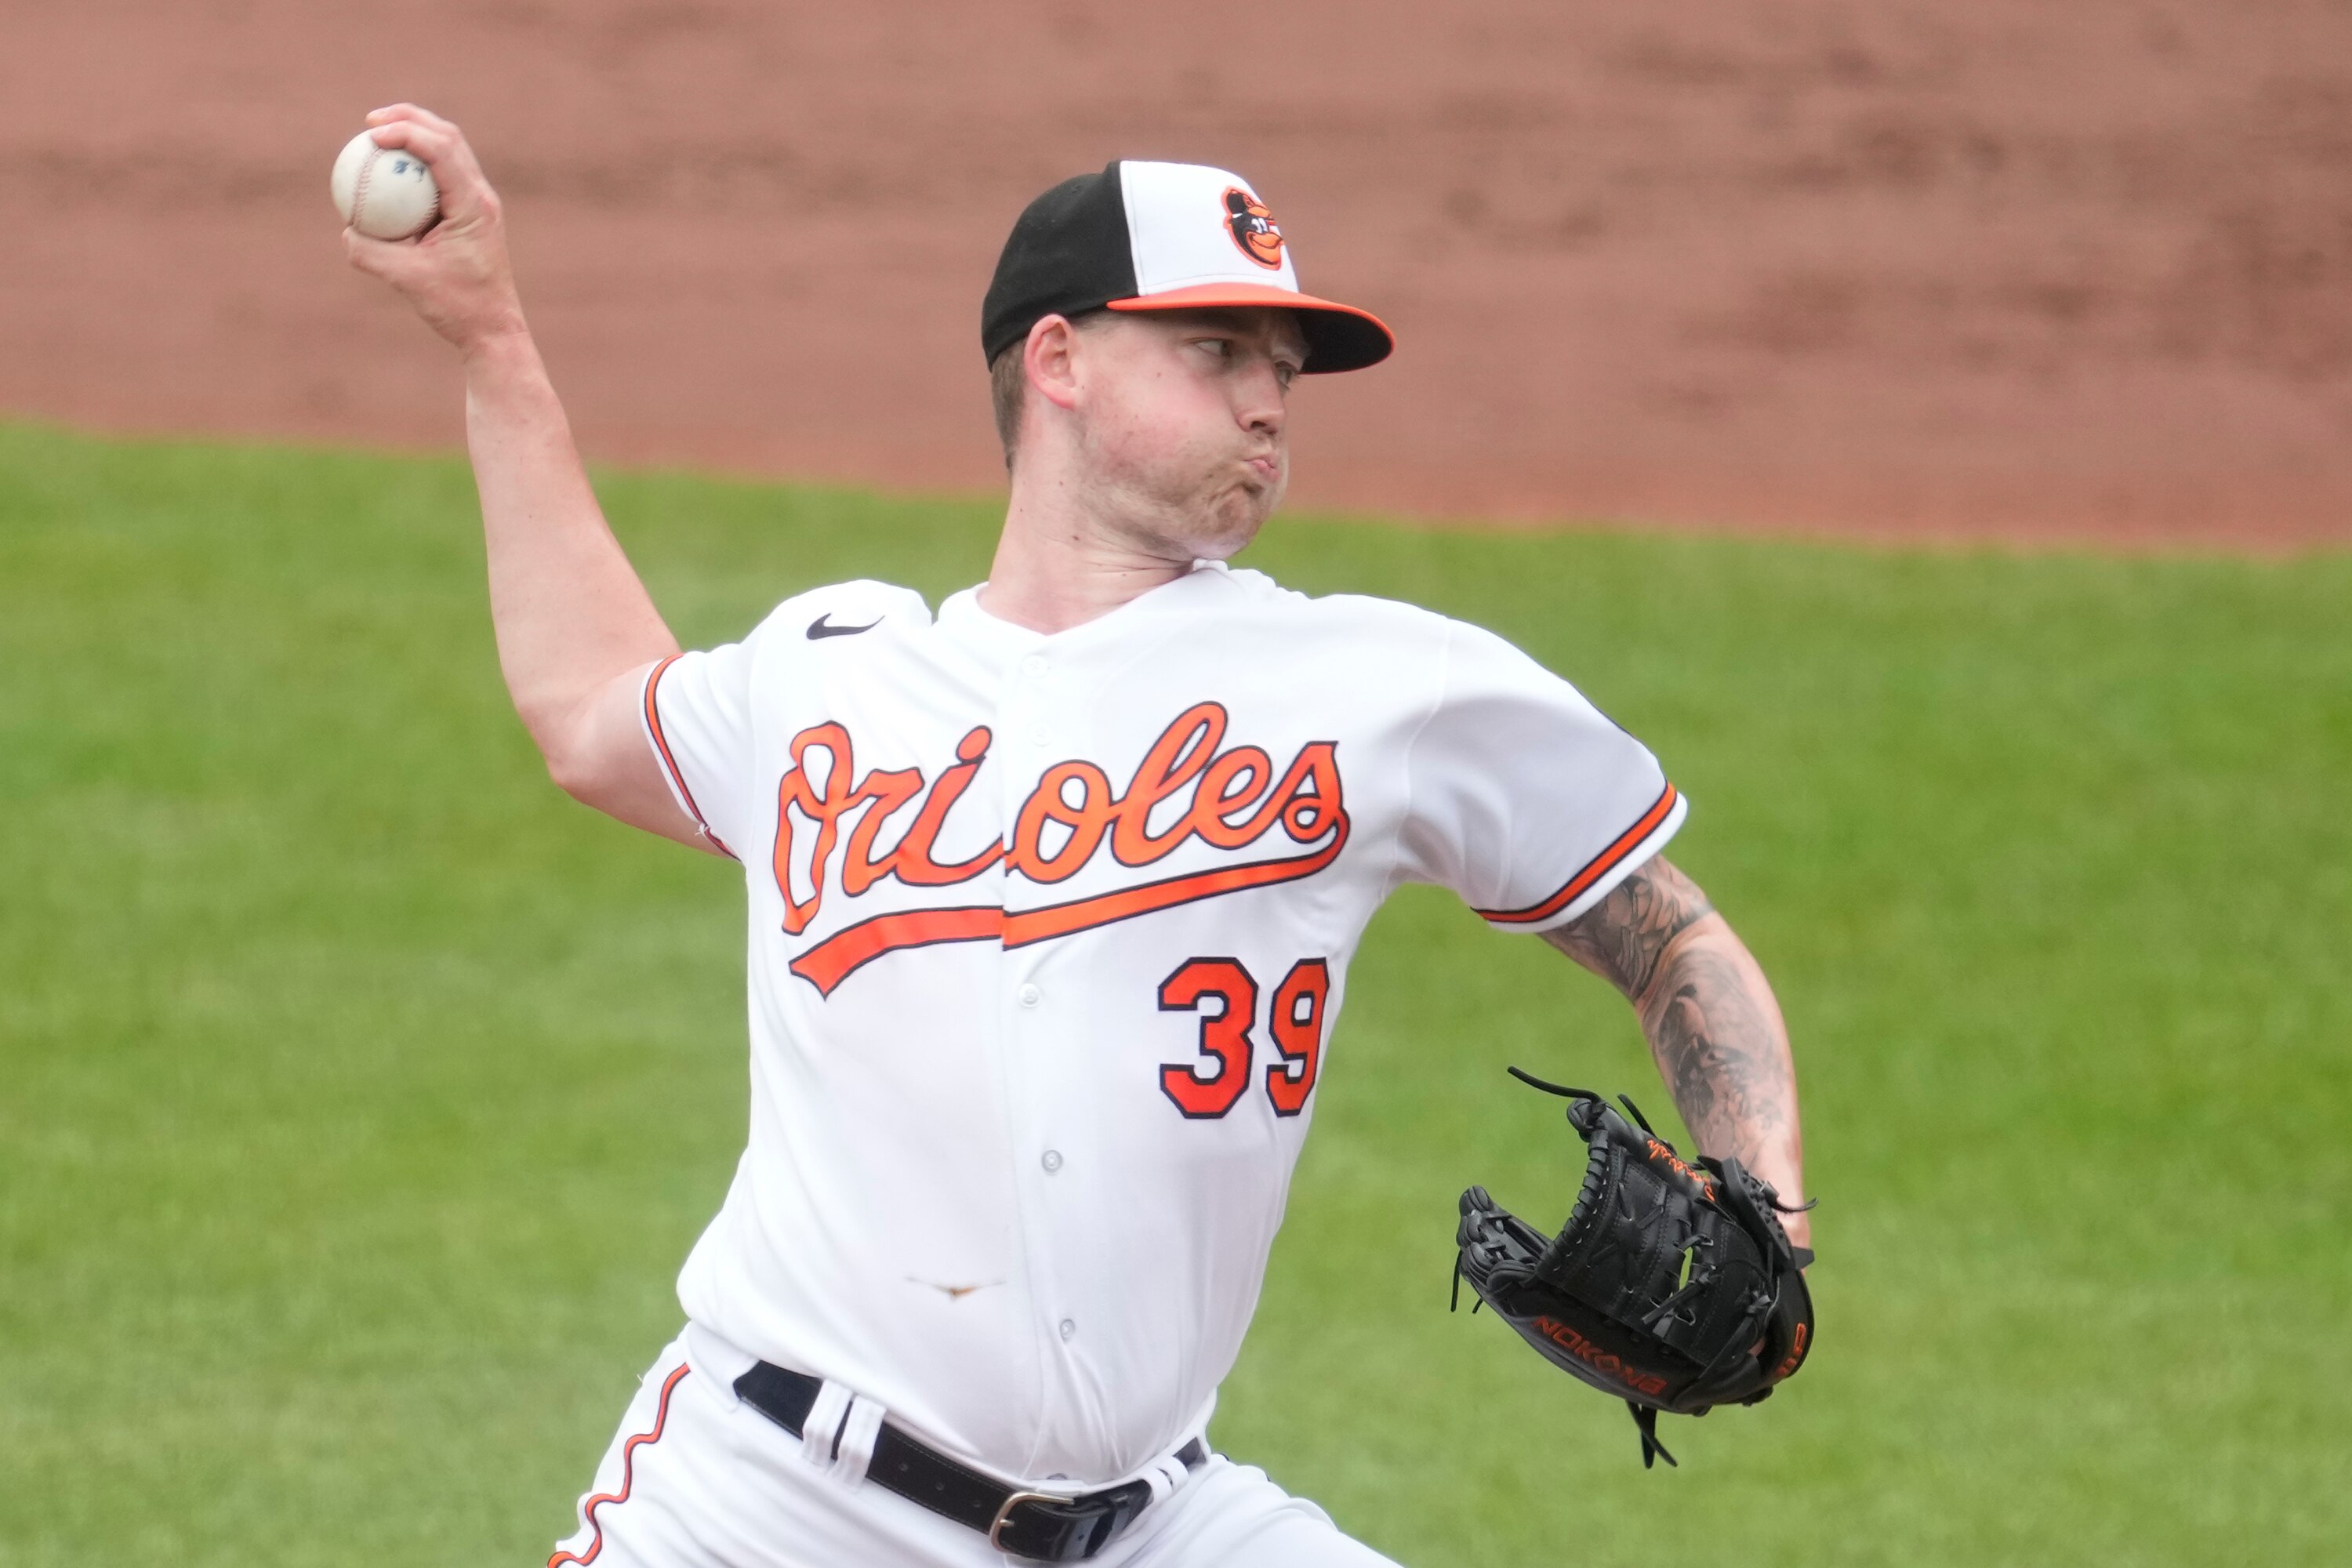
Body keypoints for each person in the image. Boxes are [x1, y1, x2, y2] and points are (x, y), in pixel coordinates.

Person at [346, 103, 1809, 1568]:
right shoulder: (835, 675)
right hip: (761, 1503)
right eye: (1215, 352)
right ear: (1056, 362)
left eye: (1282, 371)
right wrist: (491, 341)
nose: (1268, 403)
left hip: (1156, 1524)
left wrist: (1772, 1215)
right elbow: (592, 709)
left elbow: (1670, 933)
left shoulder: (1382, 690)